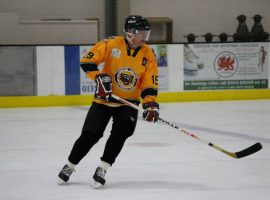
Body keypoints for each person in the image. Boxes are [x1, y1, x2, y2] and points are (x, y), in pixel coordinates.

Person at [58, 15, 159, 189]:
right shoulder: (111, 43)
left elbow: (149, 81)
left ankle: (103, 168)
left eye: (146, 33)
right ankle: (70, 165)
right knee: (90, 134)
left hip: (128, 103)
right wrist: (99, 78)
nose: (144, 36)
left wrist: (150, 103)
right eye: (140, 32)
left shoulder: (148, 53)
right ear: (129, 32)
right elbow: (87, 61)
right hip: (104, 99)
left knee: (120, 134)